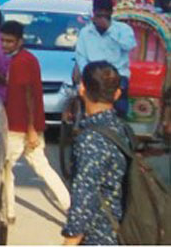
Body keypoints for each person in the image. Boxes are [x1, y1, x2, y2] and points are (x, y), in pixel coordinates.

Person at [0, 21, 70, 224]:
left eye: (9, 41)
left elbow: (29, 95)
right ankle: (70, 207)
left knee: (6, 169)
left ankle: (9, 212)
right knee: (43, 167)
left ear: (19, 41)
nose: (5, 45)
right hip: (27, 126)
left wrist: (30, 129)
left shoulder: (20, 62)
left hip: (19, 127)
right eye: (3, 41)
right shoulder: (27, 59)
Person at [62, 61, 131, 245]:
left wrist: (70, 240)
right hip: (122, 230)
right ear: (117, 94)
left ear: (82, 88)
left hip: (98, 236)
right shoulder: (121, 129)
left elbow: (84, 196)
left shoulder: (91, 139)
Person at [74, 0, 136, 117]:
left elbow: (129, 46)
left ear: (111, 13)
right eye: (99, 15)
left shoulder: (123, 30)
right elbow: (81, 56)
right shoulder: (85, 32)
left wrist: (109, 30)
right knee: (86, 107)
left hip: (117, 75)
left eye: (105, 15)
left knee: (119, 108)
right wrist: (87, 74)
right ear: (94, 13)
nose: (101, 19)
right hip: (93, 75)